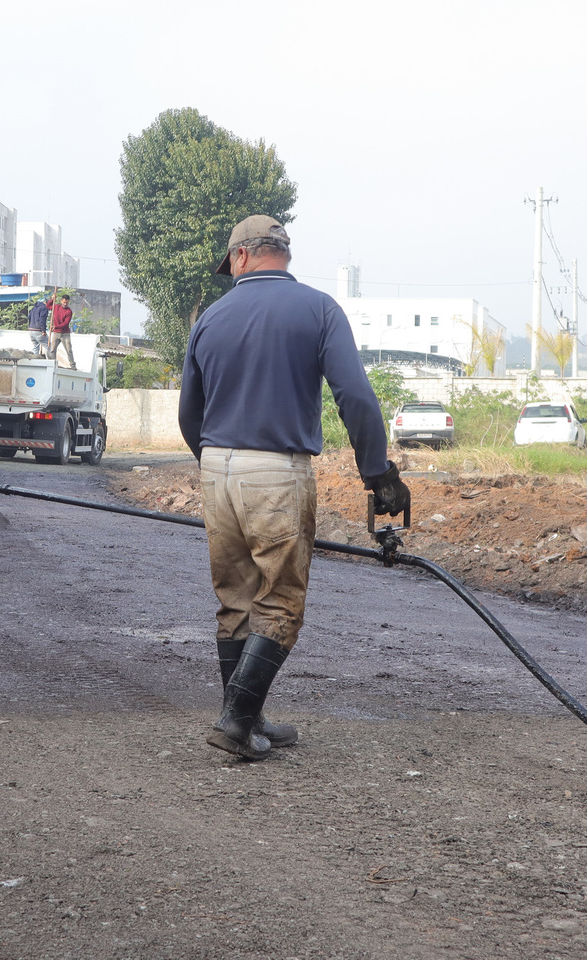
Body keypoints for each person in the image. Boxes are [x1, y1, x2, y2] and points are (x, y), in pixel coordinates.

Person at [178, 215, 410, 762]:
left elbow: (190, 412)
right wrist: (377, 473)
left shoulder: (209, 318)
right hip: (276, 472)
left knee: (234, 598)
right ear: (281, 253)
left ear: (240, 257)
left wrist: (217, 461)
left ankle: (248, 717)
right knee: (280, 600)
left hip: (215, 466)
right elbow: (354, 395)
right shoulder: (319, 309)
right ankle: (236, 721)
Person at [49, 293, 74, 367]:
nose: (65, 304)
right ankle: (52, 364)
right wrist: (52, 299)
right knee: (52, 349)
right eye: (64, 302)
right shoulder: (56, 307)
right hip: (56, 333)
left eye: (66, 302)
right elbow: (48, 306)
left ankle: (72, 365)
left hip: (65, 334)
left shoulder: (69, 311)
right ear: (61, 301)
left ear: (68, 302)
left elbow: (66, 323)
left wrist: (55, 327)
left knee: (69, 350)